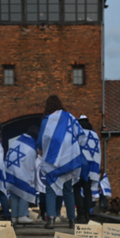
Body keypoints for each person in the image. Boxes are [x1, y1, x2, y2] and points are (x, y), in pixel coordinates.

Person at [38, 95, 84, 229]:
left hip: (52, 161)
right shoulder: (70, 118)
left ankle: (51, 219)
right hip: (68, 160)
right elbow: (81, 136)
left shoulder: (46, 120)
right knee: (68, 190)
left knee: (51, 189)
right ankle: (72, 220)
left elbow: (41, 141)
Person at [5, 127, 38, 224]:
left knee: (14, 194)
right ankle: (22, 215)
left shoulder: (16, 142)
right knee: (24, 193)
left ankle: (14, 216)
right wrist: (31, 177)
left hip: (10, 170)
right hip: (22, 172)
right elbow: (30, 163)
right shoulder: (31, 146)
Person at [75, 115, 101, 223]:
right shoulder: (95, 135)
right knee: (88, 191)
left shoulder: (77, 133)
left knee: (76, 189)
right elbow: (98, 152)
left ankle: (80, 213)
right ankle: (87, 213)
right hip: (92, 167)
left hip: (79, 166)